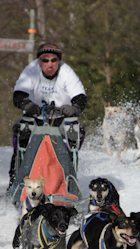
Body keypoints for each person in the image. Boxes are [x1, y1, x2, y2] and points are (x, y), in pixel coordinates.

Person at [8, 42, 88, 187]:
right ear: (39, 61)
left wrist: (74, 109)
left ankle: (69, 182)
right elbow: (18, 95)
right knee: (21, 132)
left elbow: (80, 98)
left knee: (75, 132)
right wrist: (28, 105)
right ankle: (15, 183)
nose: (49, 64)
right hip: (35, 117)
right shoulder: (31, 69)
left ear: (59, 61)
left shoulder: (66, 71)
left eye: (54, 60)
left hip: (61, 119)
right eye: (45, 60)